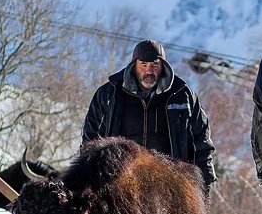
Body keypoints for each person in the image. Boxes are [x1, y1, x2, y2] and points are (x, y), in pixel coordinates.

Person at [82, 39, 216, 193]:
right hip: (119, 186)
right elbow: (90, 139)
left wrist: (205, 184)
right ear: (134, 66)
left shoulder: (183, 96)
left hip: (169, 189)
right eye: (143, 65)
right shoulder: (109, 94)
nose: (149, 71)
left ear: (163, 67)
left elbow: (203, 143)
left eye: (154, 66)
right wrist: (87, 179)